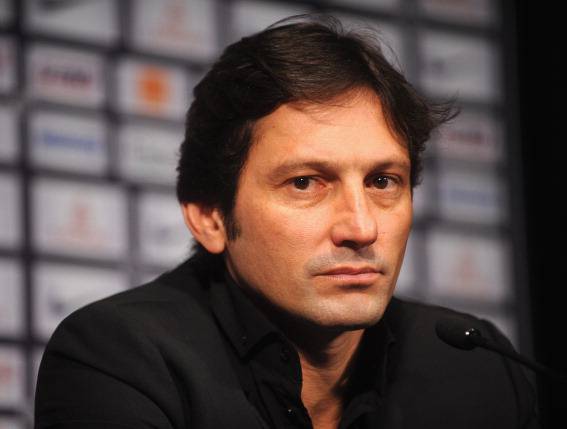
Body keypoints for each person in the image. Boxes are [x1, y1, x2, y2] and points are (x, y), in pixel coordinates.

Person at [35, 16, 539, 429]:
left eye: (383, 181)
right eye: (304, 183)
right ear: (210, 217)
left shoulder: (477, 368)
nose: (361, 228)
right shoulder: (121, 360)